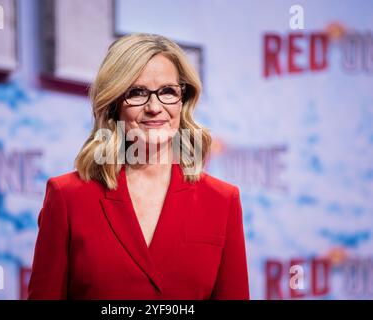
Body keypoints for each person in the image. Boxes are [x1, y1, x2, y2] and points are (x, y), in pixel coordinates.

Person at [28, 33, 249, 299]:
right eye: (137, 93)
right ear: (113, 105)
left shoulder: (222, 201)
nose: (154, 107)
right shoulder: (67, 196)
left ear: (183, 100)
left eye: (168, 91)